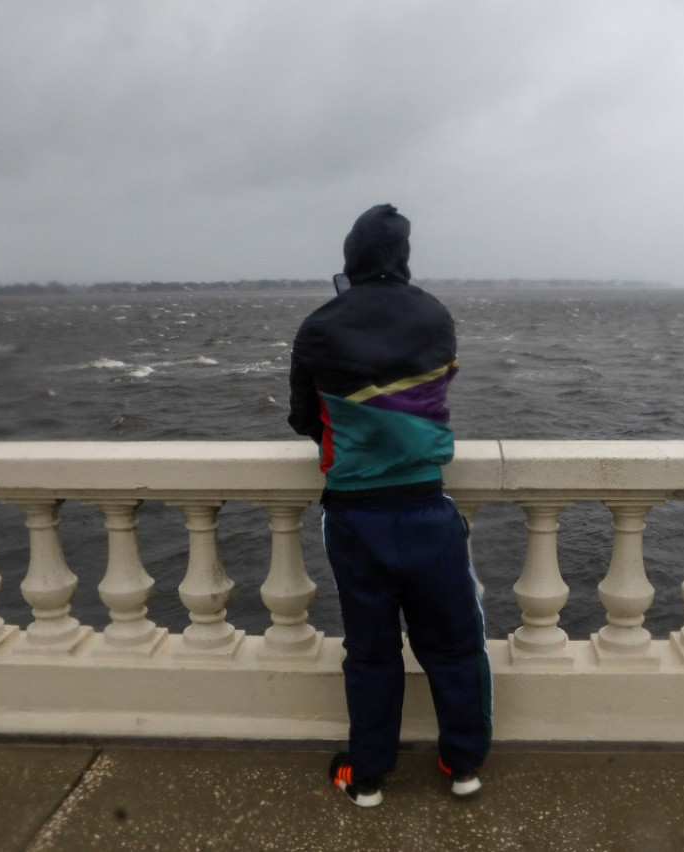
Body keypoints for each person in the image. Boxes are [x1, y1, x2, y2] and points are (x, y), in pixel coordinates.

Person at [288, 203, 492, 807]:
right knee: (455, 644)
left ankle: (368, 774)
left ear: (351, 256)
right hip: (427, 509)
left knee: (372, 651)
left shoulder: (320, 323)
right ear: (403, 256)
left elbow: (304, 417)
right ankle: (463, 766)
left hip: (355, 516)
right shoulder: (434, 314)